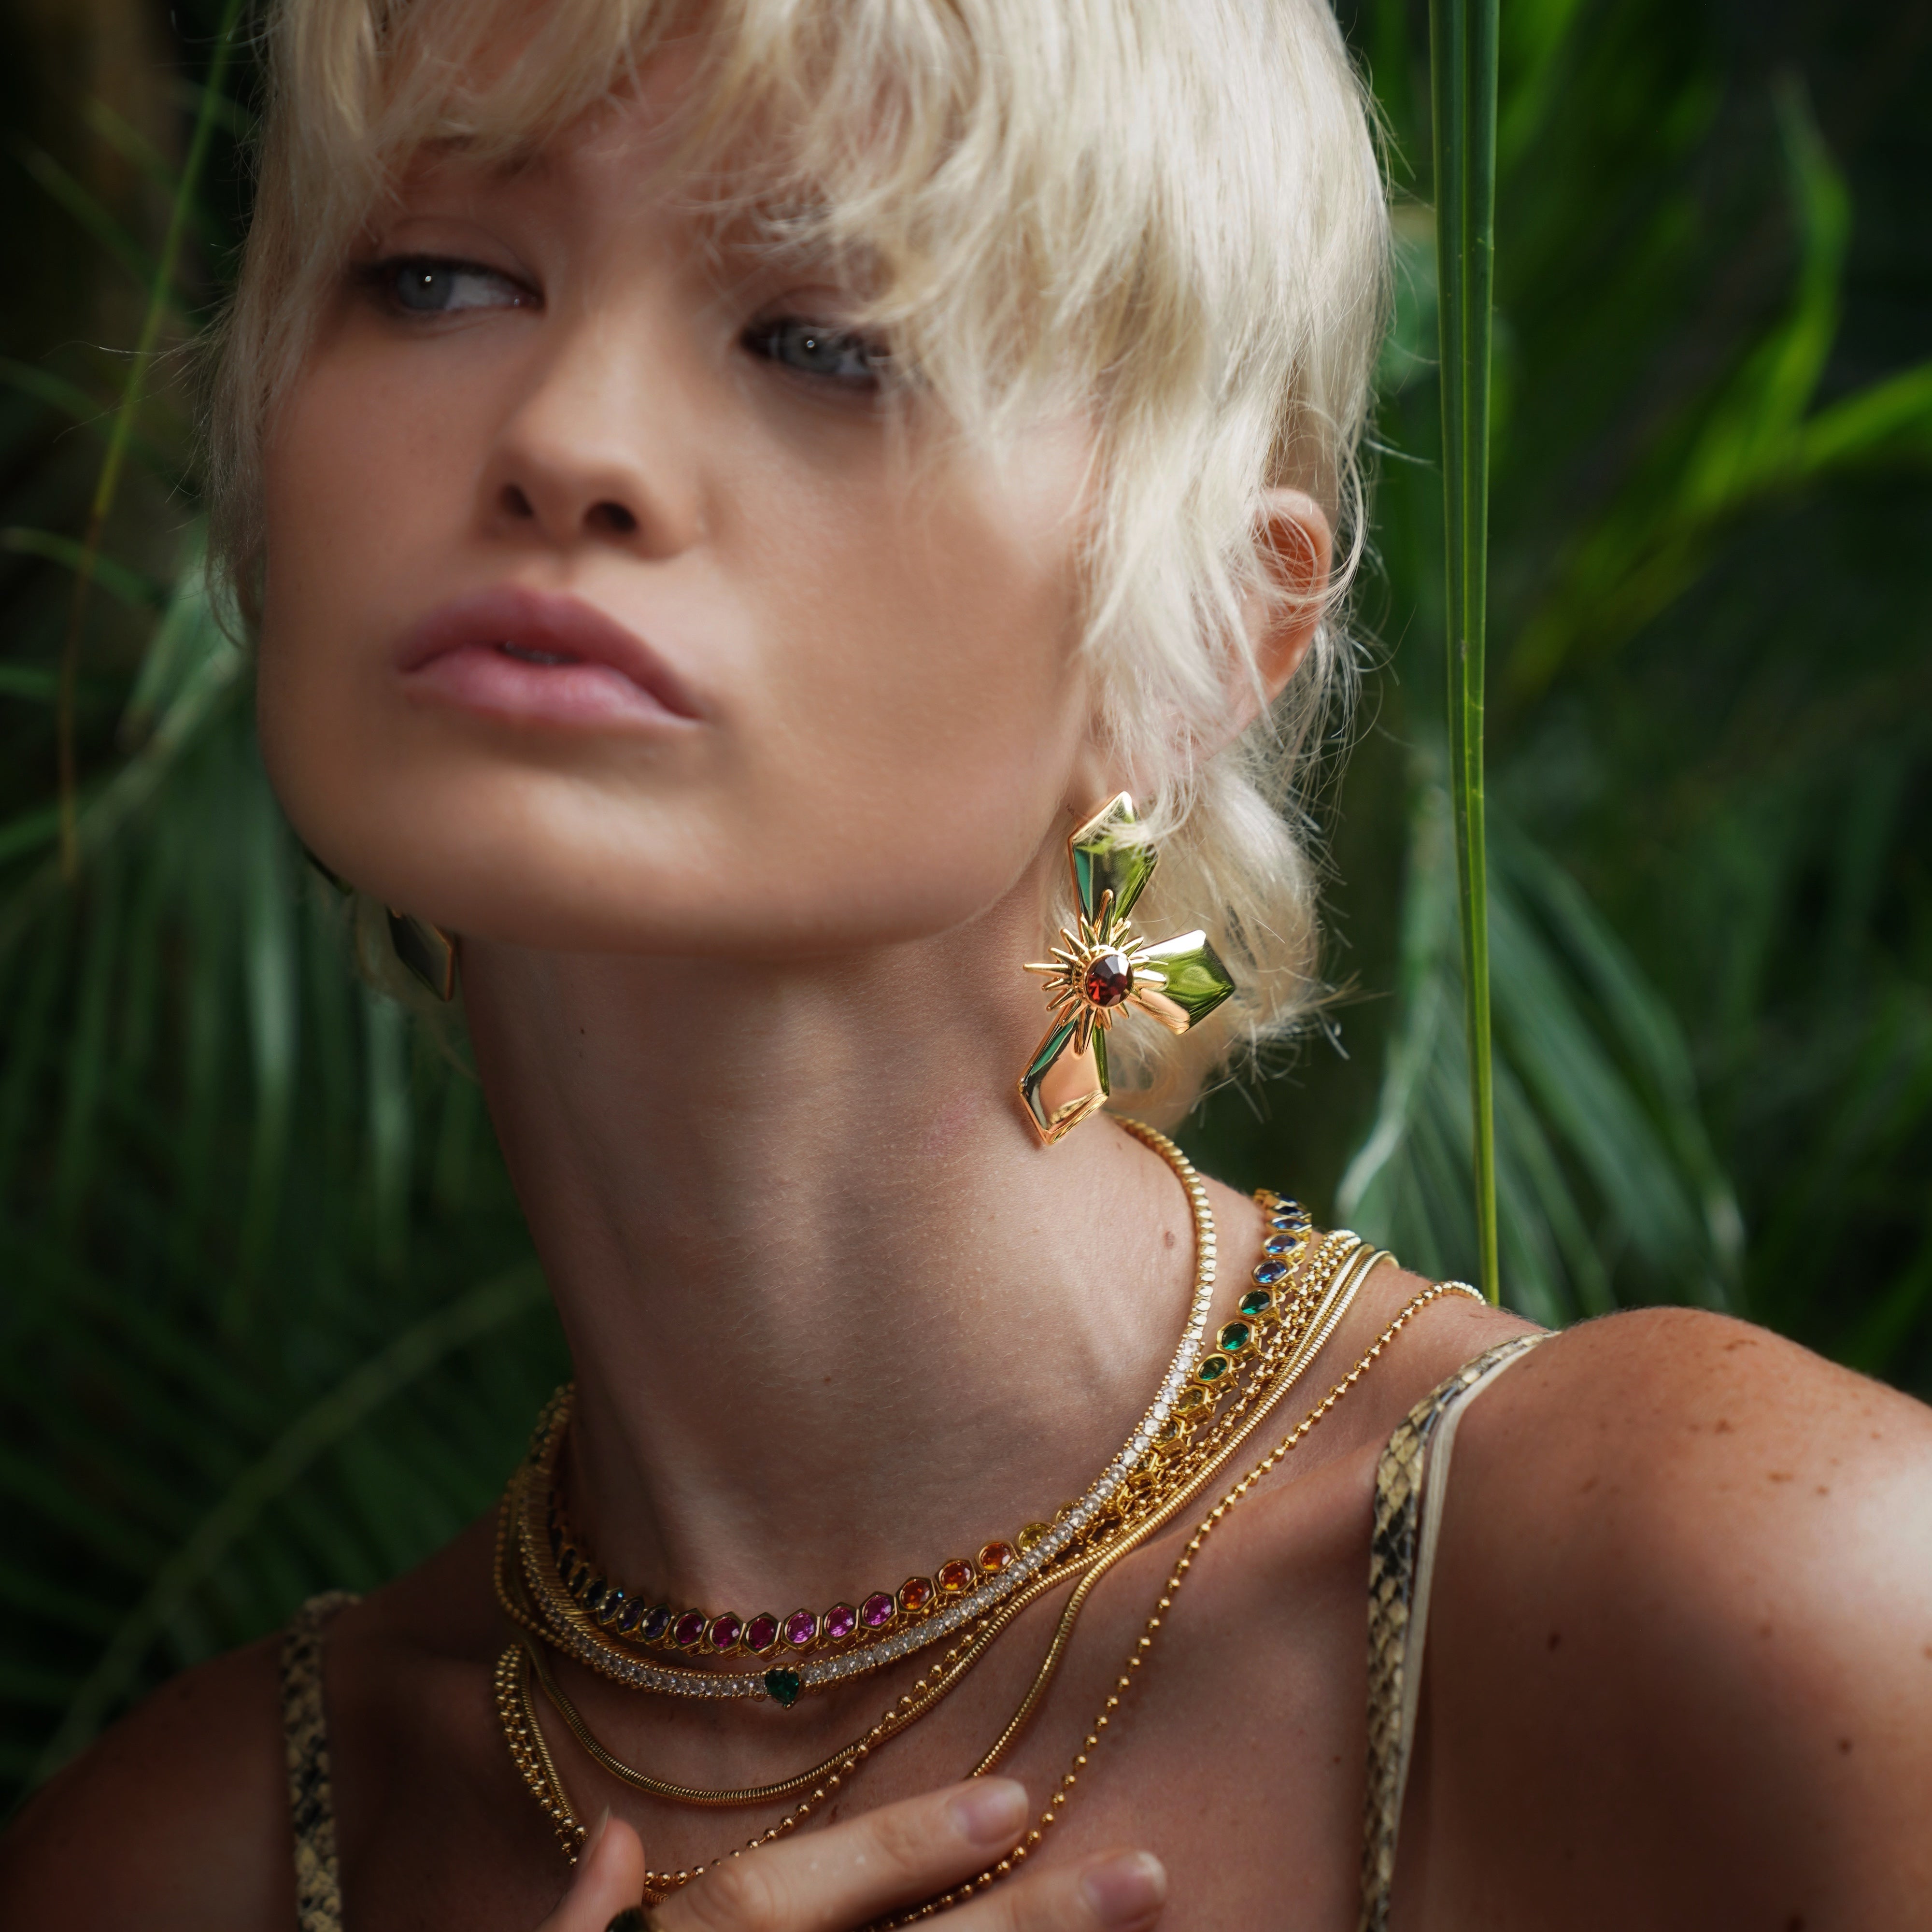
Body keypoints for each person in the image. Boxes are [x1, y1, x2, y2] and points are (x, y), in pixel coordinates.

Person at [4, 1, 1930, 1927]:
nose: (567, 440)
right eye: (435, 275)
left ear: (1196, 644)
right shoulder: (182, 1866)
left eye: (826, 342)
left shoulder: (1753, 1604)